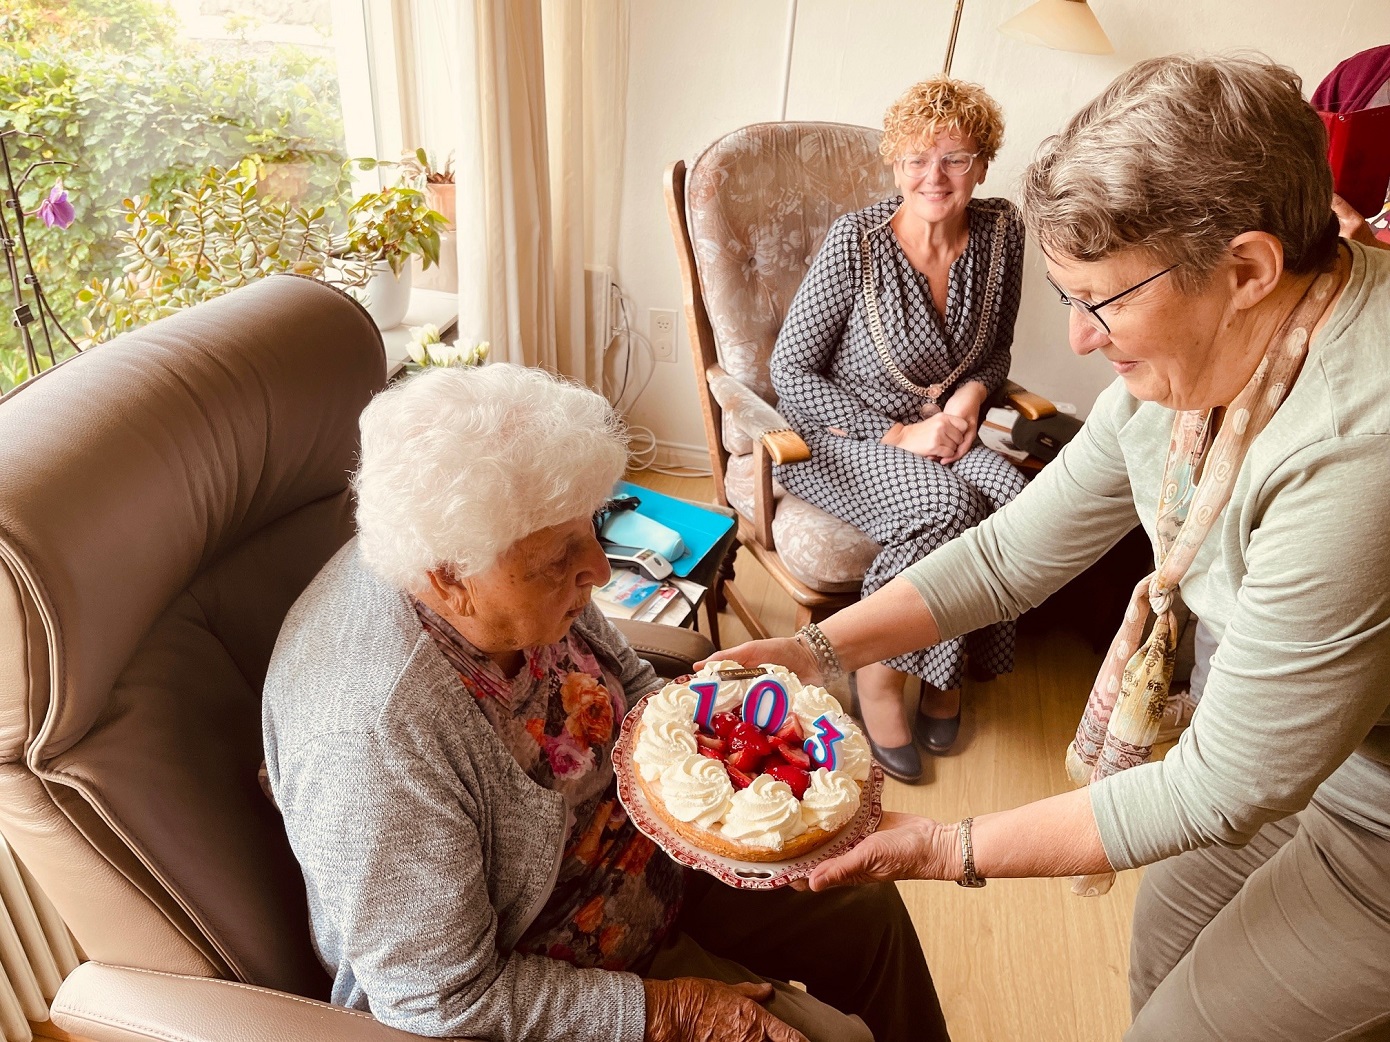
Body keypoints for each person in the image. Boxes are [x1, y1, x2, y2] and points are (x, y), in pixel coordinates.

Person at [715, 55, 1390, 1041]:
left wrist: (939, 846)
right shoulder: (1194, 361)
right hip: (1304, 746)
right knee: (1166, 938)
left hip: (1369, 802)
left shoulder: (1354, 453)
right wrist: (813, 651)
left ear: (1245, 270)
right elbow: (1003, 559)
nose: (1075, 341)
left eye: (1100, 300)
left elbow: (1227, 784)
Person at [262, 363, 946, 1042]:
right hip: (555, 968)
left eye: (591, 526)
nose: (598, 567)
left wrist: (749, 801)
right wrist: (668, 1011)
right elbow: (438, 999)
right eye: (562, 555)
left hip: (656, 857)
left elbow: (634, 690)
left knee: (864, 902)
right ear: (451, 580)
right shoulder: (374, 737)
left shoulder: (498, 554)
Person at [769, 76, 1028, 783]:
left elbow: (997, 349)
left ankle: (949, 673)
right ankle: (877, 669)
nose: (933, 176)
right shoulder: (857, 243)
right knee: (949, 506)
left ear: (982, 162)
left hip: (947, 430)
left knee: (1012, 502)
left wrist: (970, 399)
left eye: (953, 157)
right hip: (842, 439)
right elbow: (789, 373)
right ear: (894, 165)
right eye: (916, 158)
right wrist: (898, 436)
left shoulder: (1003, 232)